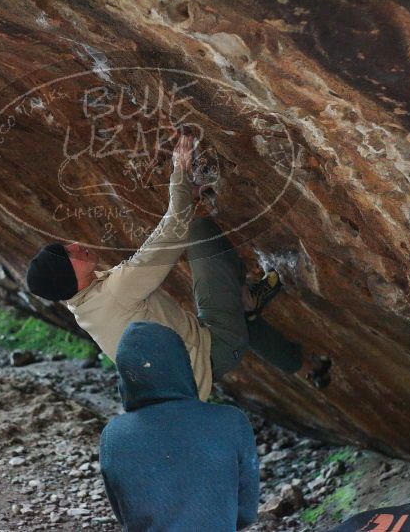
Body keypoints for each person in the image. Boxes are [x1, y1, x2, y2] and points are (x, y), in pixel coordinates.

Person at [27, 132, 330, 401]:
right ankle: (245, 304)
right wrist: (180, 172)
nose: (76, 246)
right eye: (70, 255)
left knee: (239, 319)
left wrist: (185, 197)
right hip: (216, 348)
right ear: (70, 278)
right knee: (199, 233)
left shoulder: (82, 304)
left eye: (67, 246)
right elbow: (170, 237)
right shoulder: (112, 296)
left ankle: (300, 362)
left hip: (203, 361)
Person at [100, 321, 260, 530]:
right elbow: (246, 513)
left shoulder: (113, 436)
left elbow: (123, 514)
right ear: (182, 365)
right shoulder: (232, 421)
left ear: (125, 377)